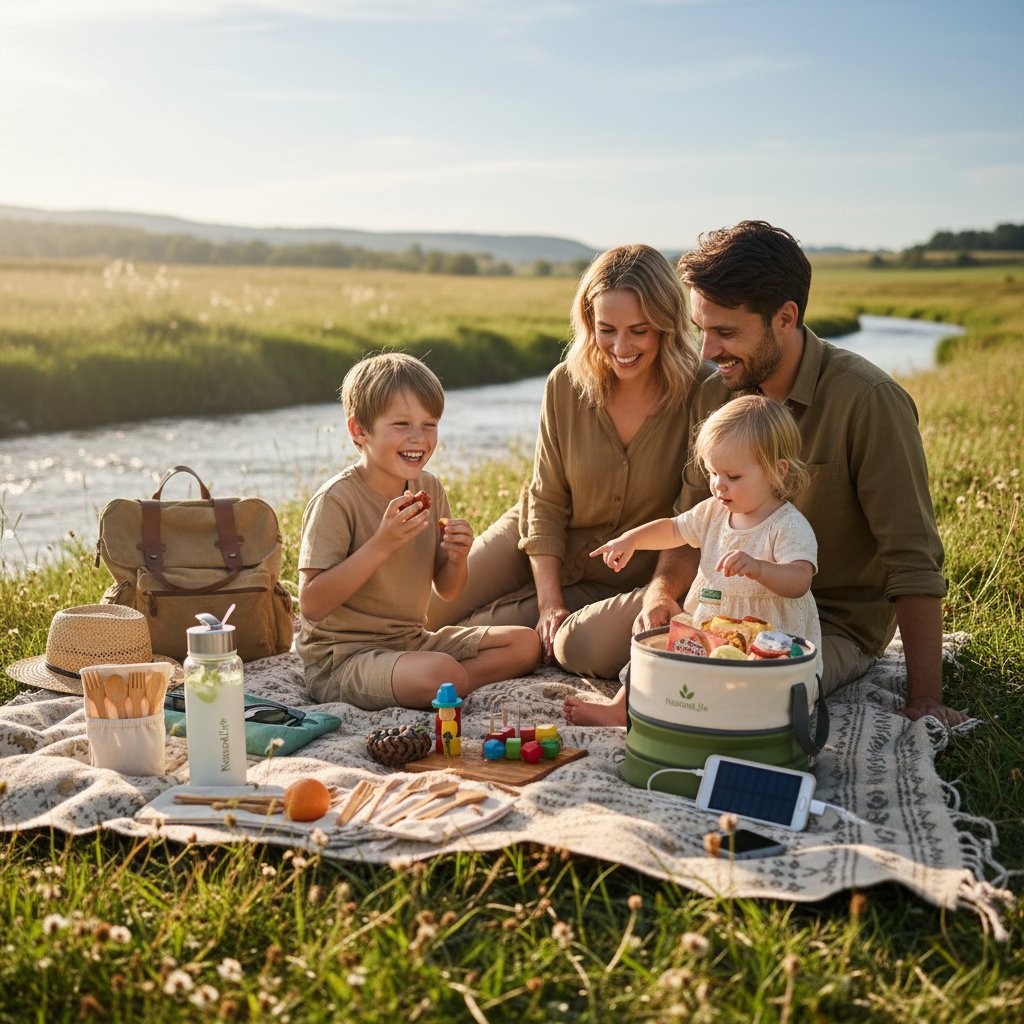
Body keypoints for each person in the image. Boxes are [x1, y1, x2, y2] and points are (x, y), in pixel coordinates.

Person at [575, 220, 962, 726]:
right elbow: (692, 518)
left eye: (727, 332)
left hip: (826, 621)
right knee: (578, 646)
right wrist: (663, 595)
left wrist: (924, 698)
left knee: (743, 691)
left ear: (785, 317)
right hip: (722, 604)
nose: (708, 351)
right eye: (702, 330)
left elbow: (913, 558)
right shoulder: (716, 394)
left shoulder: (869, 401)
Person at [425, 244, 709, 679]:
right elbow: (546, 499)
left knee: (466, 640)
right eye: (606, 329)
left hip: (620, 576)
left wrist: (656, 593)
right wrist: (548, 602)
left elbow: (691, 523)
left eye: (639, 330)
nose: (621, 347)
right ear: (588, 322)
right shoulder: (566, 384)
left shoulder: (701, 392)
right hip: (538, 538)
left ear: (666, 325)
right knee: (425, 612)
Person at [296, 352, 541, 711]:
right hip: (344, 658)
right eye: (401, 425)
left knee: (525, 644)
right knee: (441, 673)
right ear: (359, 430)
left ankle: (448, 685)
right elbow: (312, 604)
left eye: (430, 424)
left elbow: (448, 588)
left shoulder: (429, 489)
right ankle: (447, 684)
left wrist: (457, 557)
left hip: (410, 642)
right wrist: (381, 545)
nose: (419, 438)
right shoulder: (337, 500)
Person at [569, 394, 822, 724]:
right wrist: (631, 540)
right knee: (658, 652)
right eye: (713, 473)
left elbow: (800, 580)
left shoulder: (787, 525)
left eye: (733, 476)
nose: (719, 486)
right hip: (709, 627)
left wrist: (761, 569)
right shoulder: (714, 512)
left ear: (777, 471)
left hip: (767, 643)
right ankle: (622, 707)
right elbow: (673, 530)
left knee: (752, 696)